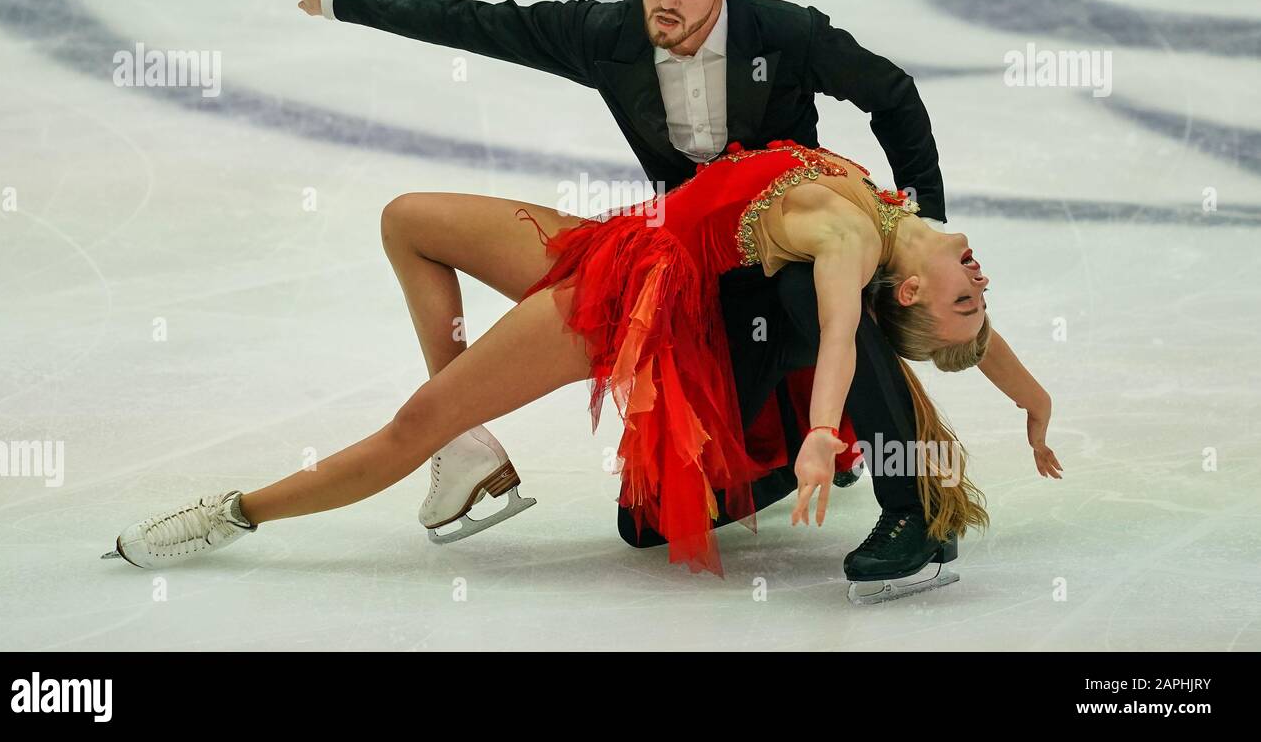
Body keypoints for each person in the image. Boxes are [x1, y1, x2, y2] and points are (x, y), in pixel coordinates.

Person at [256, 0, 1009, 576]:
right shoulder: (608, 35)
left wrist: (919, 217)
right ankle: (467, 444)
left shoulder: (783, 34)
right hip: (684, 265)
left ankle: (912, 511)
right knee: (645, 528)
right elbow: (481, 23)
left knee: (821, 300)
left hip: (784, 265)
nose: (667, 2)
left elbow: (893, 95)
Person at [104, 139, 1061, 580]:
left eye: (966, 293)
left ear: (908, 295)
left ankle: (238, 512)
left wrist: (820, 436)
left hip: (625, 309)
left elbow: (849, 339)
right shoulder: (895, 218)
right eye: (976, 281)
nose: (978, 273)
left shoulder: (856, 251)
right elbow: (969, 338)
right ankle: (471, 447)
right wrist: (1032, 399)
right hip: (616, 241)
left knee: (411, 426)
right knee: (407, 221)